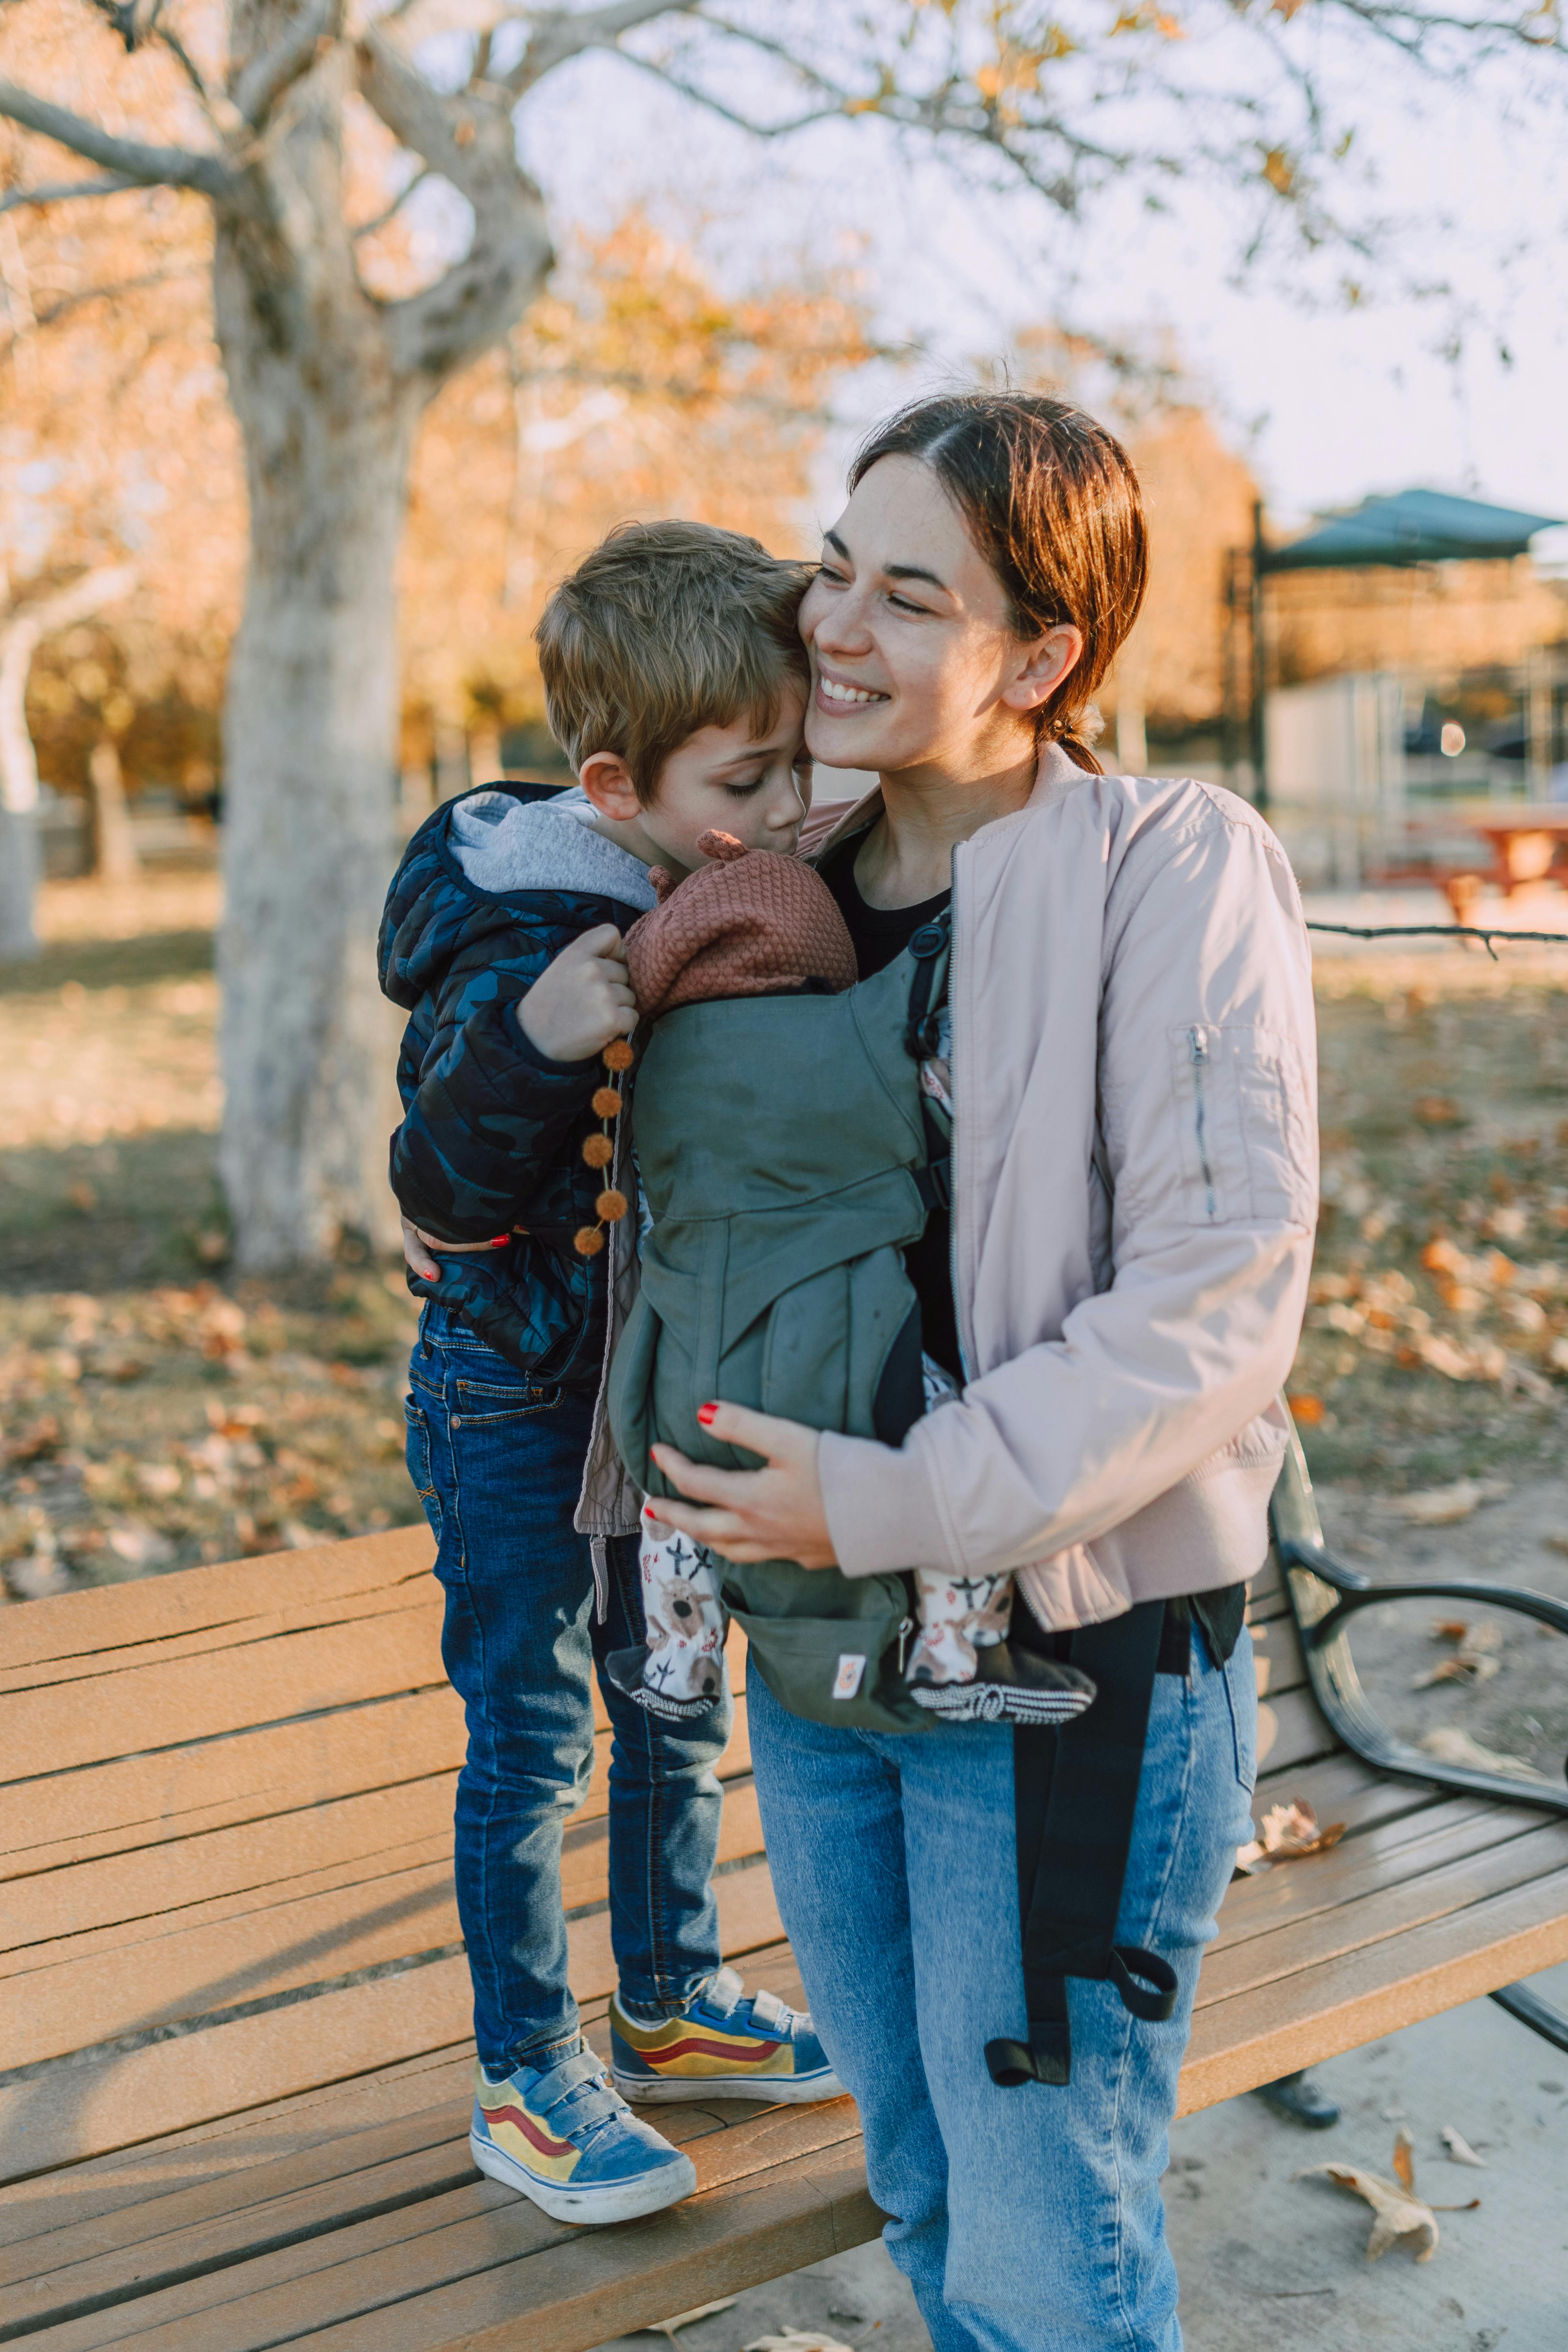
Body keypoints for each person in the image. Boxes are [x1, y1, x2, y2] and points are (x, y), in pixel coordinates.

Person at [648, 392, 1317, 2350]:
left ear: (1041, 656)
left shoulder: (1168, 866)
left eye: (910, 597)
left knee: (1042, 2227)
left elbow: (1217, 1283)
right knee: (925, 2174)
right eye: (830, 570)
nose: (835, 627)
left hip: (1067, 1662)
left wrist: (898, 1489)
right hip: (814, 1652)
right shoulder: (771, 875)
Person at [379, 520, 842, 2231]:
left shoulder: (700, 870)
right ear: (612, 778)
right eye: (754, 769)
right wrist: (530, 1046)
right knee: (532, 1729)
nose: (793, 798)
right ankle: (527, 2068)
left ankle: (666, 1996)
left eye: (804, 754)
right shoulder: (515, 943)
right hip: (510, 1402)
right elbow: (437, 1186)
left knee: (674, 1689)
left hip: (647, 1394)